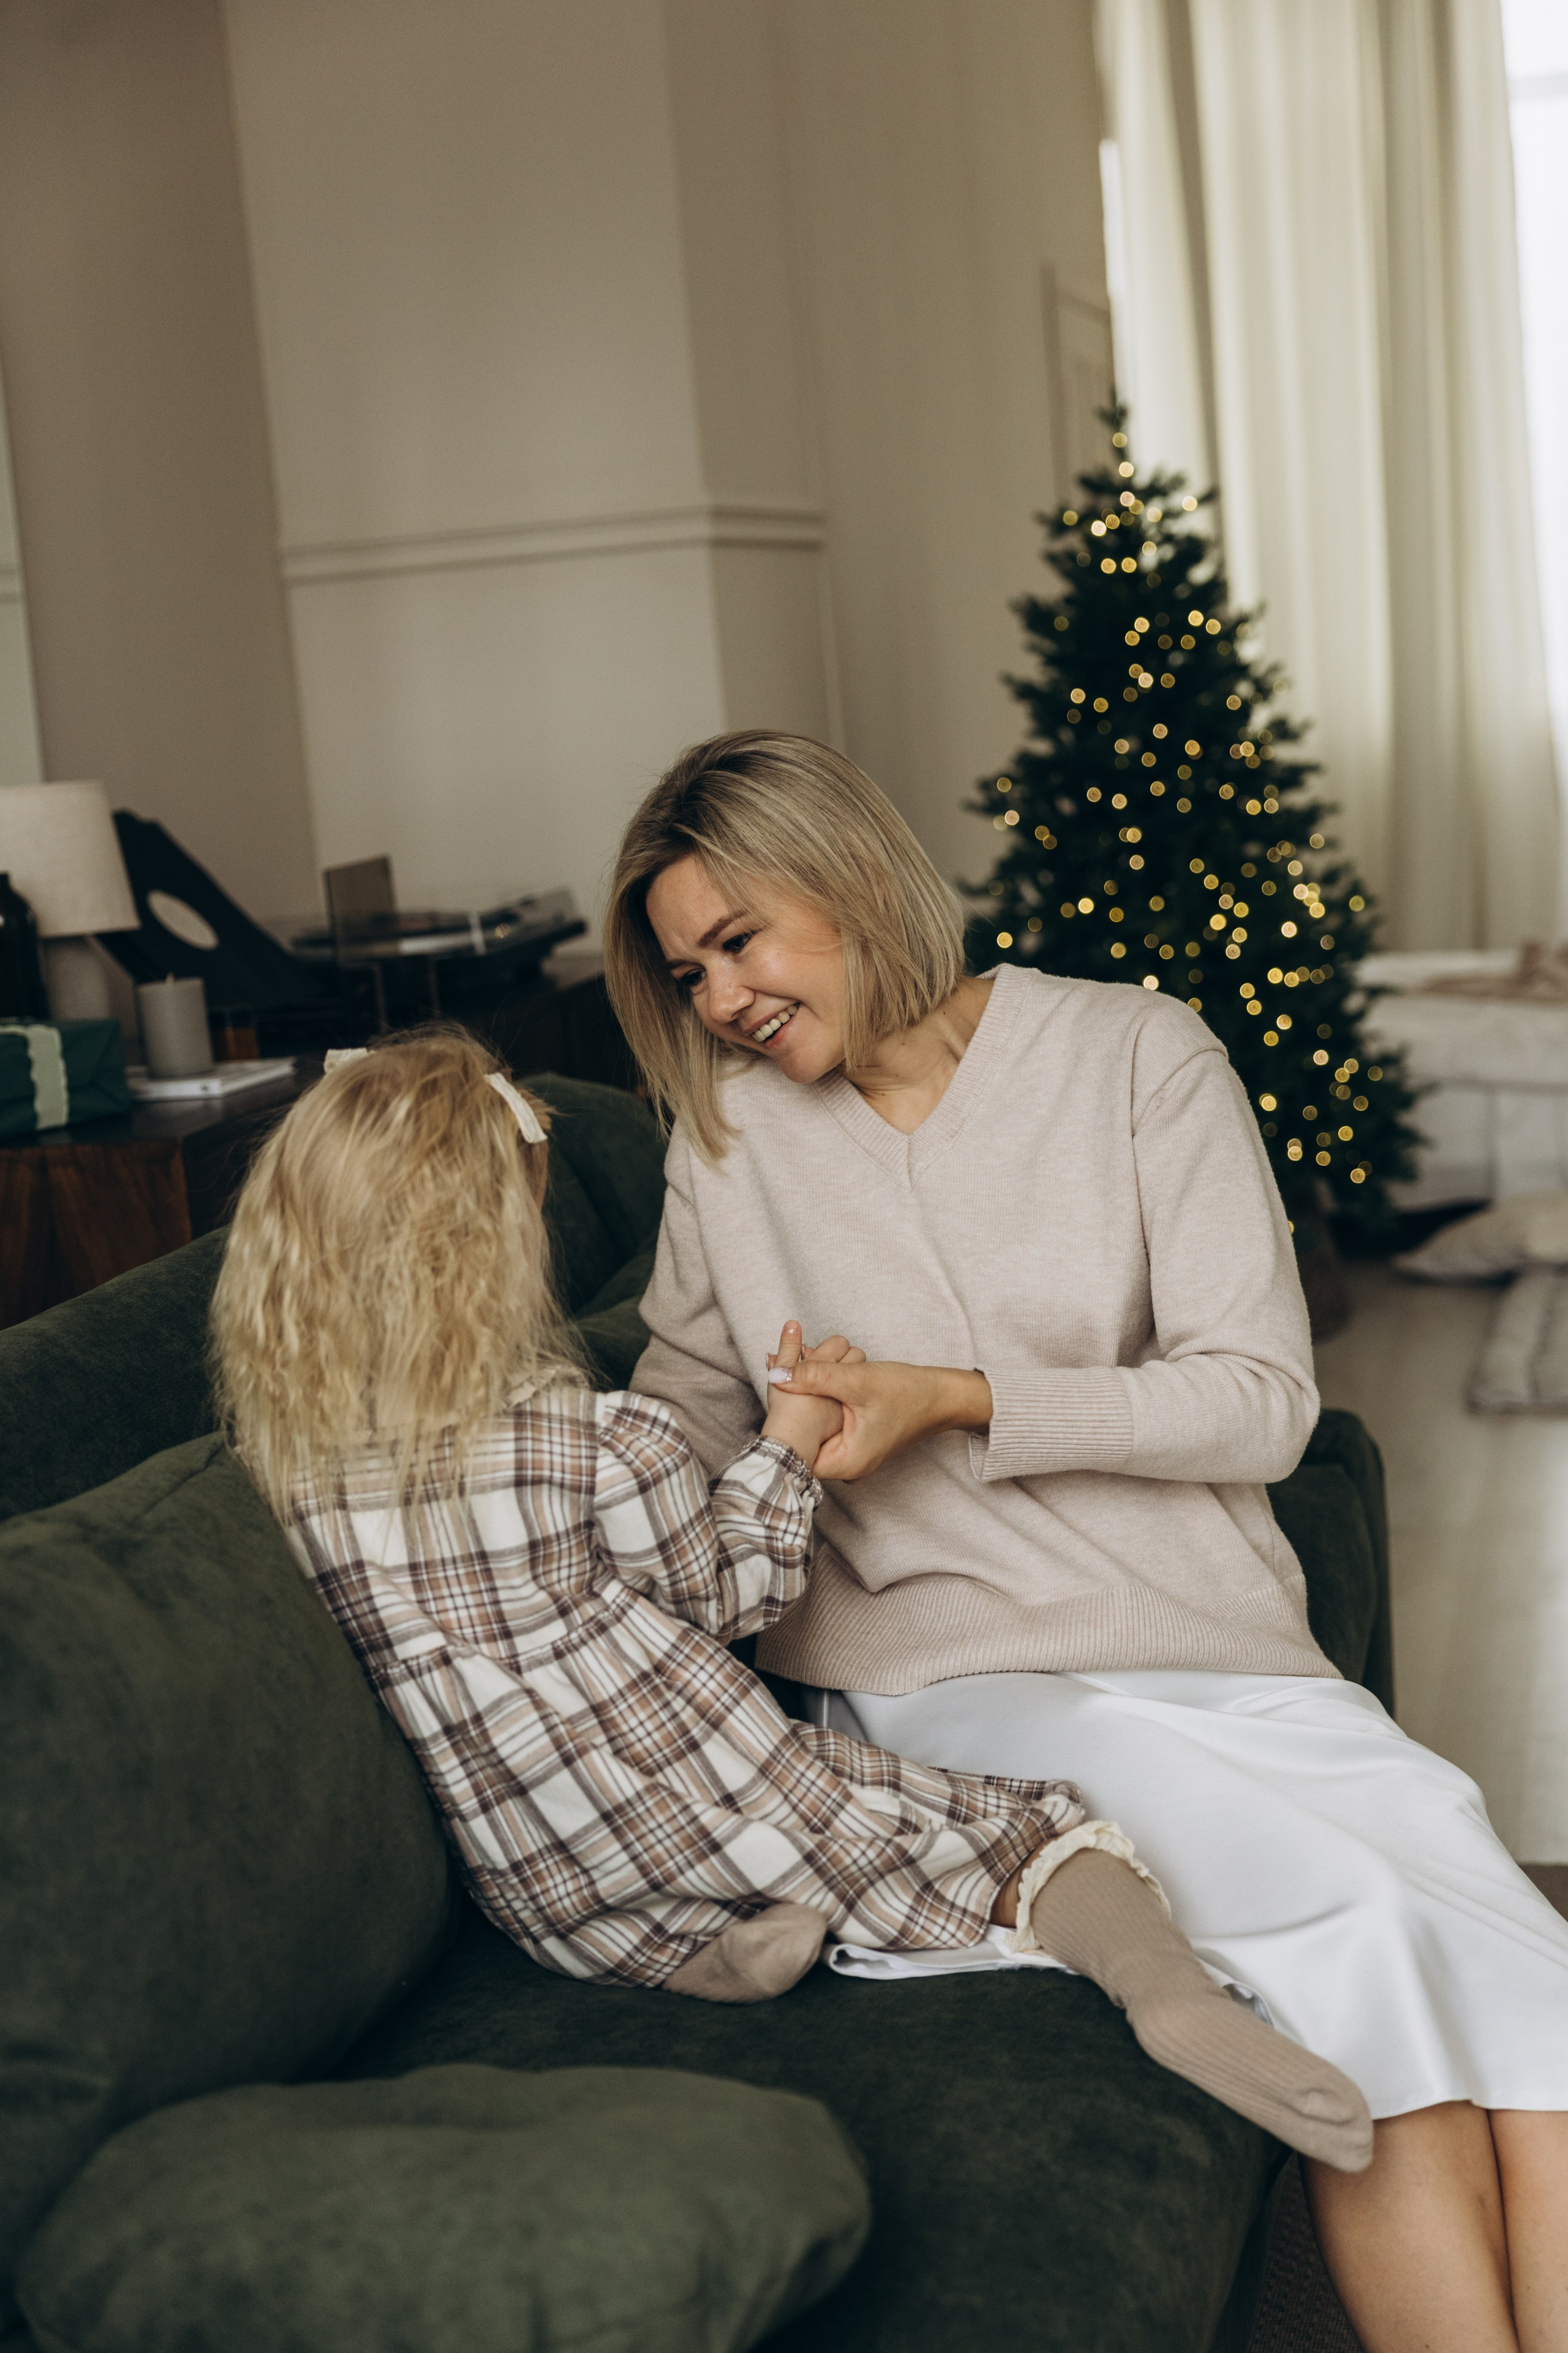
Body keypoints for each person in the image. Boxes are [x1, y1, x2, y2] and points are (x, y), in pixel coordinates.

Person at [604, 730, 1568, 2353]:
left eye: (738, 938)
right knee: (1370, 1936)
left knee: (1529, 1970)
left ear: (843, 877)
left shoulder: (1137, 1057)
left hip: (1215, 1649)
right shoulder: (734, 1144)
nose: (721, 1000)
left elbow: (1262, 1403)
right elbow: (678, 1414)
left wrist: (958, 1400)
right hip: (951, 1689)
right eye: (690, 971)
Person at [209, 1025, 1371, 2168]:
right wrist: (790, 1438)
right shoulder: (599, 1446)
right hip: (700, 1787)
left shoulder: (296, 1478)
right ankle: (1166, 1994)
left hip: (542, 1877)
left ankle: (695, 1956)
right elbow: (730, 1594)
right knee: (1035, 1824)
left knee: (626, 1879)